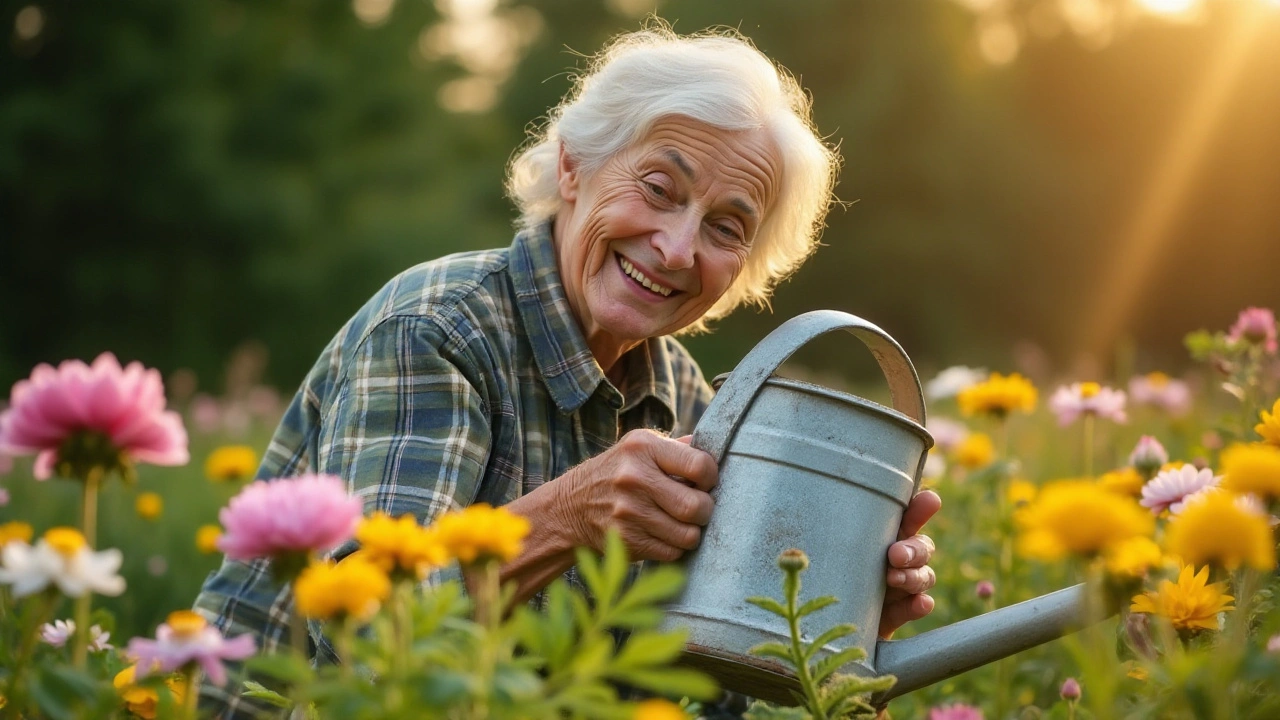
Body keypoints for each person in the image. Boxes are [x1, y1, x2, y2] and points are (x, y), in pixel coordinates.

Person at [194, 23, 940, 718]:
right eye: (658, 188)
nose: (678, 249)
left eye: (725, 227)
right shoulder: (437, 330)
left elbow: (690, 690)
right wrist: (568, 515)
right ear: (573, 167)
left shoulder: (687, 397)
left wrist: (834, 622)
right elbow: (366, 642)